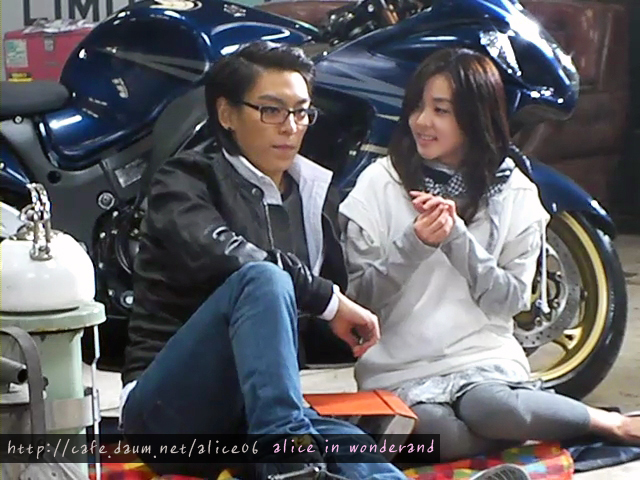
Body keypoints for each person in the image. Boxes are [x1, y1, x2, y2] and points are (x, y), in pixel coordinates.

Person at [119, 41, 409, 480]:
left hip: (252, 416)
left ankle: (292, 459)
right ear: (227, 114)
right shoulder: (183, 181)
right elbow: (232, 261)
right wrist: (329, 300)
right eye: (271, 110)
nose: (290, 127)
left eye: (301, 112)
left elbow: (306, 335)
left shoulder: (313, 193)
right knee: (263, 279)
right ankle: (289, 457)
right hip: (167, 415)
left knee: (351, 448)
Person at [339, 47, 640, 462]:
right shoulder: (379, 183)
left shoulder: (516, 193)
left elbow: (509, 302)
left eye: (440, 110)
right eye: (417, 107)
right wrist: (414, 246)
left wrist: (458, 241)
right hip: (398, 368)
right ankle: (517, 433)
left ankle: (608, 423)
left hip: (482, 358)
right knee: (438, 436)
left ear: (476, 118)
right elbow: (359, 300)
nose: (421, 122)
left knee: (496, 410)